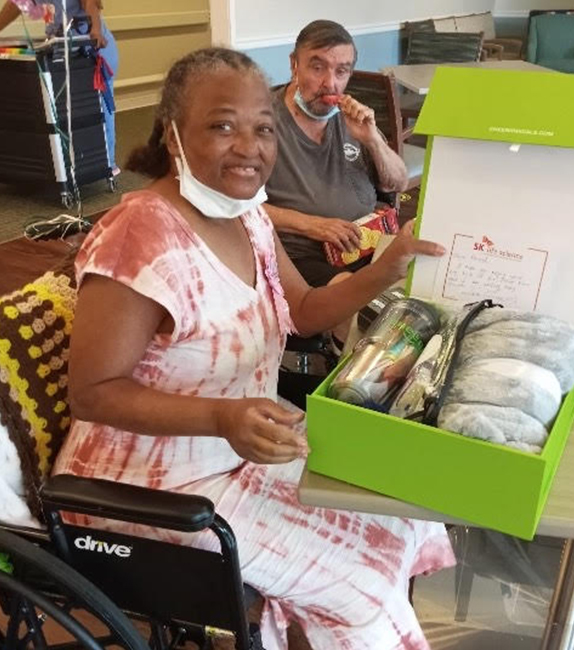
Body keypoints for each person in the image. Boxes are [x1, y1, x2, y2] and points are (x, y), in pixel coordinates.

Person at [52, 47, 454, 650]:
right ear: (173, 133)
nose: (250, 146)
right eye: (222, 125)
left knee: (395, 511)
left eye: (263, 128)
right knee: (358, 590)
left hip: (241, 451)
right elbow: (92, 392)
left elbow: (302, 310)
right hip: (146, 487)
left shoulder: (247, 217)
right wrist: (221, 416)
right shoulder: (139, 232)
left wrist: (384, 269)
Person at [265, 20, 408, 293]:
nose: (330, 84)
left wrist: (373, 140)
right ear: (294, 64)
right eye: (317, 67)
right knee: (362, 305)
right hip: (302, 256)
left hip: (369, 242)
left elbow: (397, 183)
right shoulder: (262, 121)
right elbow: (239, 208)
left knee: (416, 293)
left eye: (341, 71)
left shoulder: (354, 117)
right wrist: (313, 226)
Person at [0, 0, 119, 171]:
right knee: (62, 110)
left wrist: (96, 28)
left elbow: (90, 3)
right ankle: (66, 165)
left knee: (97, 108)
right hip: (60, 46)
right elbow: (16, 5)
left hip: (90, 46)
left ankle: (106, 164)